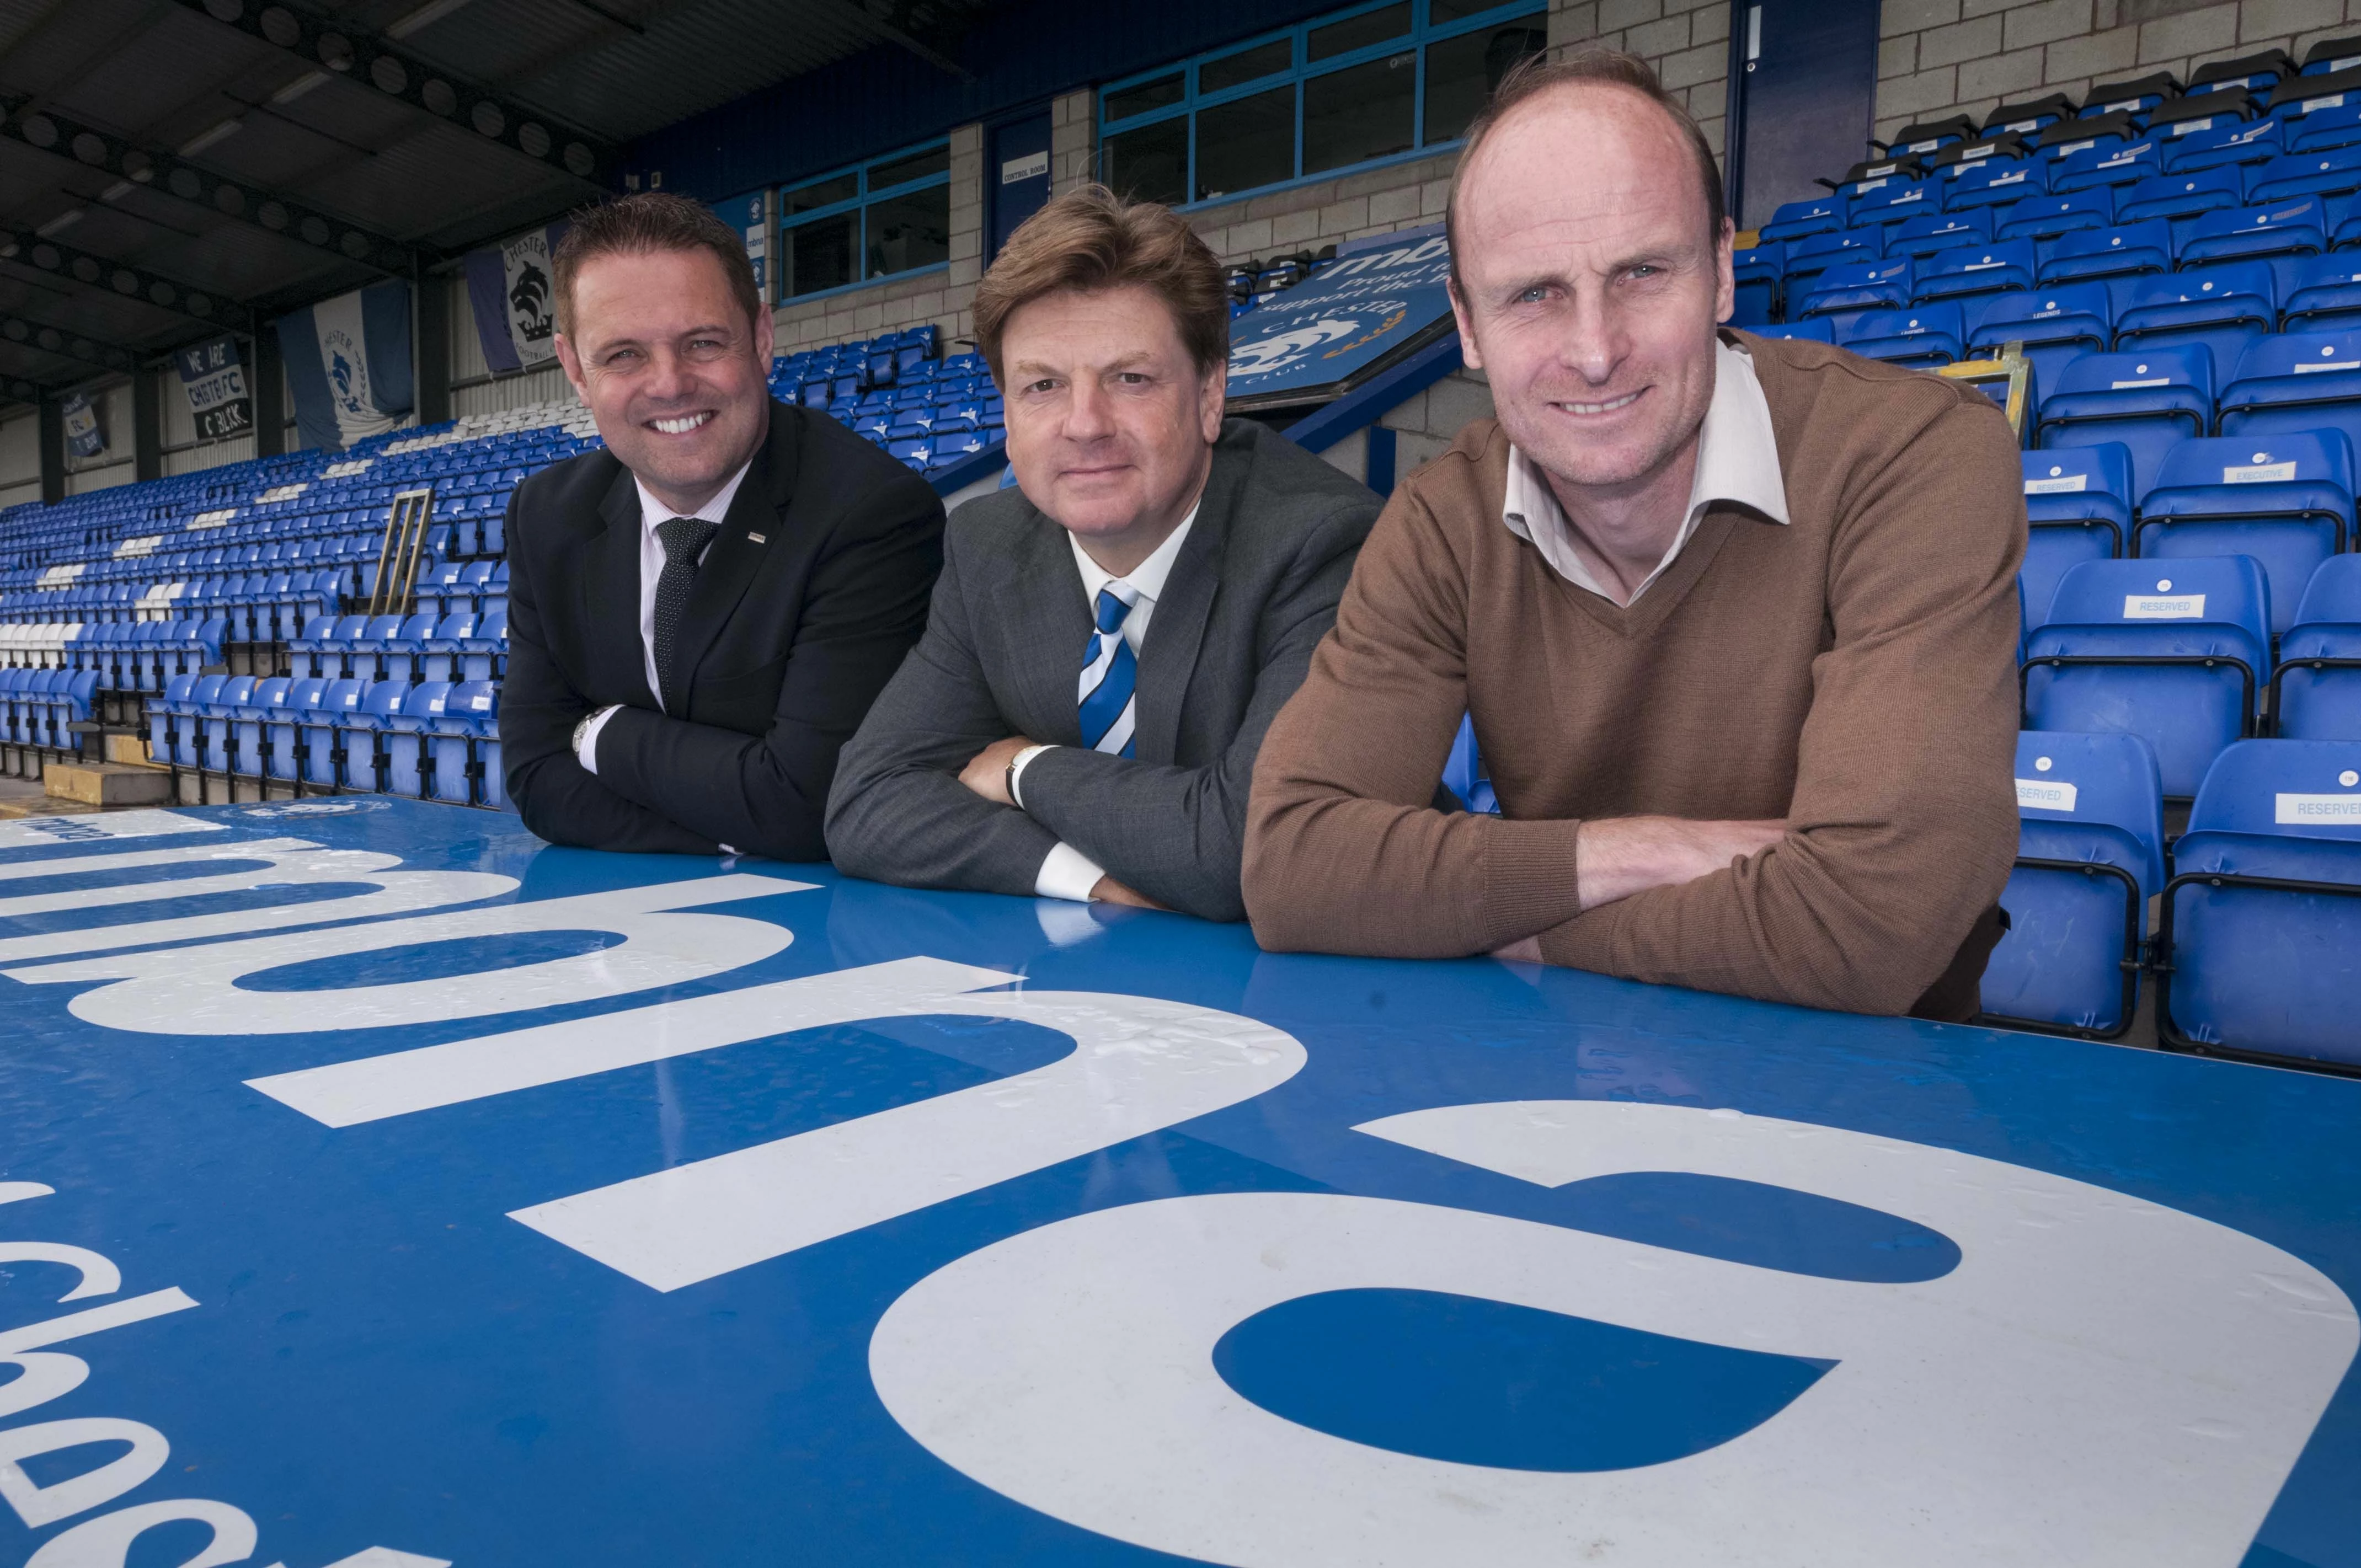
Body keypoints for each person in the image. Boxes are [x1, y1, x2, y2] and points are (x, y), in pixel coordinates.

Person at [1242, 49, 2025, 1019]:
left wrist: (1522, 927)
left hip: (1868, 1095)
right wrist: (1643, 850)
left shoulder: (1914, 456)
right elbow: (1293, 866)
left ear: (1723, 272)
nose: (1595, 349)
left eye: (1643, 271)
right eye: (1534, 293)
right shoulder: (1444, 519)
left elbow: (1871, 922)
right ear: (1468, 325)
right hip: (1562, 1085)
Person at [826, 186, 1381, 921]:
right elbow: (868, 800)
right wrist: (1081, 874)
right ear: (1006, 407)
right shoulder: (987, 545)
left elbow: (1254, 845)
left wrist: (1029, 768)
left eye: (1130, 378)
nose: (1084, 424)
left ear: (1211, 392)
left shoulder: (1322, 542)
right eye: (1043, 385)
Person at [500, 194, 945, 859]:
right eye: (622, 355)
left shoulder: (871, 513)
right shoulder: (546, 514)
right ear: (574, 369)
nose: (671, 384)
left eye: (703, 342)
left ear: (762, 338)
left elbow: (807, 803)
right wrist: (736, 823)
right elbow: (535, 778)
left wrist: (599, 734)